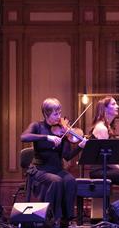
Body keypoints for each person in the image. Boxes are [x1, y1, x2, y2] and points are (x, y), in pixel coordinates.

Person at [21, 98, 87, 228]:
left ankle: (66, 220)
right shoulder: (37, 126)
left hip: (57, 169)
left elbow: (67, 156)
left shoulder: (62, 130)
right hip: (40, 169)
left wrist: (80, 146)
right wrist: (47, 137)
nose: (59, 117)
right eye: (55, 114)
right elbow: (24, 137)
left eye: (60, 113)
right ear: (46, 114)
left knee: (70, 181)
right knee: (56, 181)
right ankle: (51, 219)